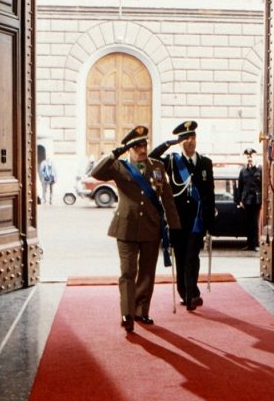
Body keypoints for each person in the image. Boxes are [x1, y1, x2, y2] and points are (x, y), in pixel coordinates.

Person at [90, 126, 181, 332]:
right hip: (126, 227)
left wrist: (175, 227)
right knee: (128, 271)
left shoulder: (157, 166)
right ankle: (127, 313)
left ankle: (142, 311)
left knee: (147, 273)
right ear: (130, 148)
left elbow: (167, 198)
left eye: (144, 144)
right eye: (137, 146)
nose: (142, 149)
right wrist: (117, 152)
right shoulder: (119, 167)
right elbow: (96, 172)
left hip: (151, 226)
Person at [149, 121, 215, 312]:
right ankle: (185, 292)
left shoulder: (205, 163)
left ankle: (191, 294)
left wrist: (210, 222)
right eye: (185, 139)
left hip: (197, 219)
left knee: (192, 257)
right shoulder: (171, 161)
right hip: (177, 219)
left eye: (192, 137)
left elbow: (209, 194)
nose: (190, 142)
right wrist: (167, 144)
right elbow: (152, 159)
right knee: (181, 256)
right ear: (180, 142)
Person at [236, 148, 262, 251]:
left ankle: (255, 244)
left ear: (255, 157)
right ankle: (249, 244)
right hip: (246, 201)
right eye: (247, 157)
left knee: (254, 223)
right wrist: (240, 201)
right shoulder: (243, 171)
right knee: (248, 223)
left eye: (251, 156)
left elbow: (263, 186)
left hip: (256, 200)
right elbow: (240, 186)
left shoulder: (260, 169)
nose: (249, 158)